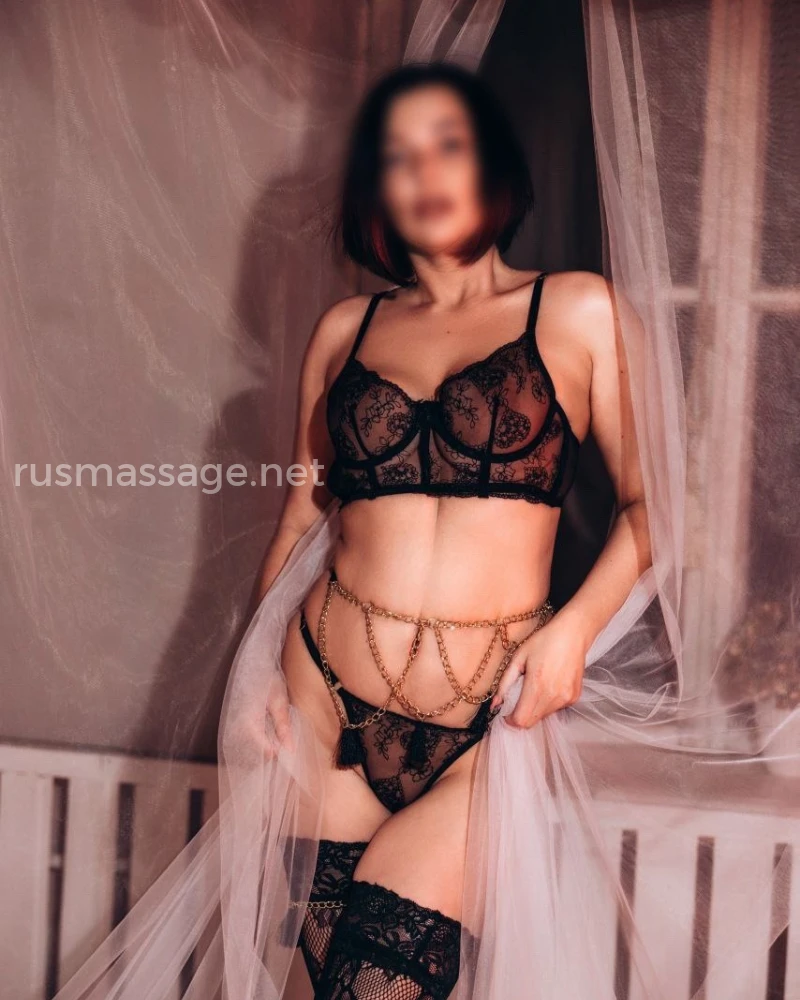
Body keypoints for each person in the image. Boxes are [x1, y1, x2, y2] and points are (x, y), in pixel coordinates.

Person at [255, 59, 649, 999]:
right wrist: (260, 665)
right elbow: (305, 509)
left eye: (449, 146)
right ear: (376, 188)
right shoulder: (344, 330)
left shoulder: (579, 310)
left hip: (488, 723)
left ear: (493, 165)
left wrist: (574, 632)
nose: (425, 173)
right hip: (324, 703)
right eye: (399, 156)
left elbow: (659, 512)